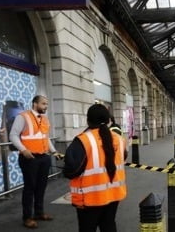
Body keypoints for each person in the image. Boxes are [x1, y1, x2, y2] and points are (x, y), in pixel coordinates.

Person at [63, 104, 127, 232]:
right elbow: (123, 158)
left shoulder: (83, 140)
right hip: (114, 194)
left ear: (88, 120)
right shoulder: (119, 139)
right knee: (108, 225)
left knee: (87, 228)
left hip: (90, 198)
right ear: (109, 121)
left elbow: (72, 171)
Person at [9, 95, 59, 229]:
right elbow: (13, 135)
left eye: (47, 104)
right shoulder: (23, 116)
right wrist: (23, 150)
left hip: (44, 157)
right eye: (43, 104)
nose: (46, 106)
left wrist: (54, 151)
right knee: (29, 188)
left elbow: (46, 138)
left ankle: (39, 213)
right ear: (35, 104)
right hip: (29, 158)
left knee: (41, 187)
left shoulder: (45, 119)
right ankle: (27, 217)